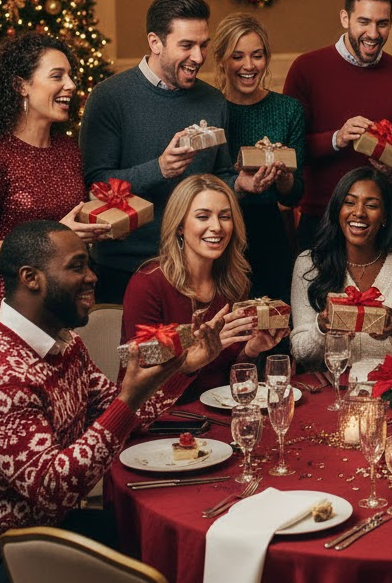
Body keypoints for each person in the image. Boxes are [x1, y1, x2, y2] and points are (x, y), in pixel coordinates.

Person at [0, 220, 224, 538]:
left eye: (89, 265)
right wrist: (127, 399)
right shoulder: (7, 373)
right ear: (31, 278)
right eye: (77, 267)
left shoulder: (66, 342)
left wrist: (183, 368)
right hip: (21, 552)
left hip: (58, 529)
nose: (92, 277)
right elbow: (51, 491)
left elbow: (124, 419)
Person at [79, 0, 276, 304]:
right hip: (128, 267)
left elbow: (219, 174)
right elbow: (95, 186)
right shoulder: (109, 98)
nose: (198, 57)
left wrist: (239, 184)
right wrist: (160, 168)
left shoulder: (213, 101)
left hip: (198, 267)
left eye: (203, 44)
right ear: (156, 43)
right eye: (186, 45)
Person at [283, 0, 392, 248]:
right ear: (345, 18)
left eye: (382, 23)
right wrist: (336, 139)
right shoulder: (306, 69)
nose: (373, 34)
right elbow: (289, 150)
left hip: (381, 222)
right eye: (364, 22)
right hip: (321, 218)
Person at [121, 174, 286, 397]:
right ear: (180, 226)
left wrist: (250, 350)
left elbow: (223, 378)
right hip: (161, 422)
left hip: (215, 415)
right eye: (203, 217)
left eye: (225, 216)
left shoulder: (234, 283)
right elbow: (138, 382)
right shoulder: (148, 284)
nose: (216, 227)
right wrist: (190, 362)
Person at [290, 167, 392, 381]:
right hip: (332, 391)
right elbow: (300, 353)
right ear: (338, 209)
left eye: (372, 205)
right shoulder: (308, 263)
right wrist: (321, 328)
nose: (359, 212)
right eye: (349, 202)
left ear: (385, 215)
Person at [0, 34, 110, 289]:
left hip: (63, 299)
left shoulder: (68, 149)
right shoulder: (4, 154)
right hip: (12, 304)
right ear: (21, 86)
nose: (70, 85)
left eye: (70, 76)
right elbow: (60, 231)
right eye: (57, 76)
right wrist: (55, 239)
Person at [212, 13, 305, 300]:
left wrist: (285, 179)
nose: (249, 66)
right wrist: (237, 183)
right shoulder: (209, 109)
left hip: (269, 230)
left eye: (257, 55)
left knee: (272, 323)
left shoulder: (289, 110)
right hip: (217, 231)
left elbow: (294, 195)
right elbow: (197, 182)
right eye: (237, 56)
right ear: (221, 60)